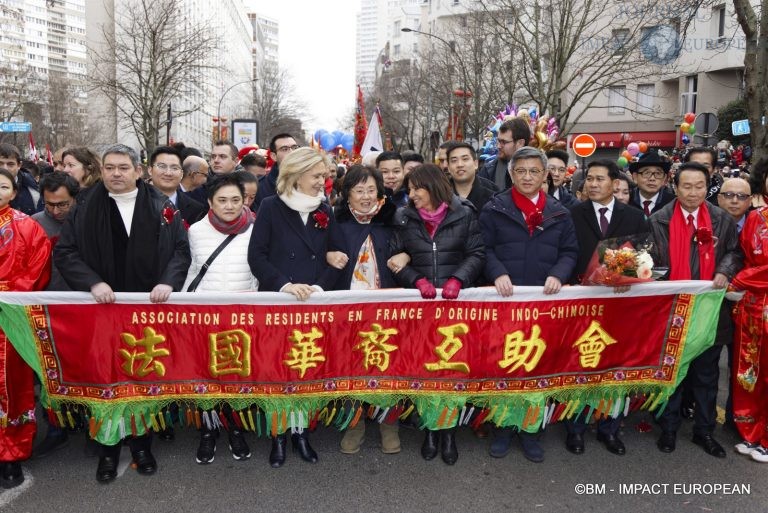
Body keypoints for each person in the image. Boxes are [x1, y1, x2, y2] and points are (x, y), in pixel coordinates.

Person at [54, 144, 191, 483]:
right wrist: (93, 283)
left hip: (147, 311)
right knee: (106, 378)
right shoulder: (83, 206)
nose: (116, 173)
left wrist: (167, 282)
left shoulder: (161, 206)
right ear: (101, 170)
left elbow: (180, 251)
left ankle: (142, 445)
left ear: (138, 171)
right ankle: (108, 448)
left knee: (142, 376)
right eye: (110, 167)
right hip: (101, 310)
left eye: (123, 167)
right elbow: (66, 252)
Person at [479, 147, 578, 463]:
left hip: (543, 305)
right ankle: (503, 427)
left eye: (534, 171)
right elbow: (483, 248)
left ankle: (532, 430)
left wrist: (559, 275)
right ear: (511, 174)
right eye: (520, 171)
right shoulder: (494, 208)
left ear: (545, 174)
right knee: (505, 364)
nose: (527, 177)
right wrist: (497, 273)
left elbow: (570, 252)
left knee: (537, 366)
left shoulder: (559, 212)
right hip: (505, 303)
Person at [248, 147, 342, 467]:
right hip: (279, 302)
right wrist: (284, 285)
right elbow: (257, 256)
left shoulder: (326, 210)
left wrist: (319, 286)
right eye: (317, 176)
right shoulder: (271, 207)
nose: (322, 182)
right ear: (297, 174)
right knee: (277, 370)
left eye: (325, 176)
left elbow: (336, 254)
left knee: (304, 369)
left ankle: (300, 432)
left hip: (311, 303)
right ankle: (278, 435)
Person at [389, 163, 485, 466]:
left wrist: (459, 278)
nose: (412, 194)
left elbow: (477, 253)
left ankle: (450, 433)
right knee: (426, 370)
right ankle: (431, 428)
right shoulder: (404, 216)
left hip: (456, 308)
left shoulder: (464, 213)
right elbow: (396, 258)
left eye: (417, 188)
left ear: (432, 186)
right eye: (409, 188)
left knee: (452, 370)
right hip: (421, 308)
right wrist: (416, 280)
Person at [648, 162, 742, 459]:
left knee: (705, 374)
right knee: (672, 373)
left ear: (707, 187)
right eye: (686, 186)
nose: (692, 192)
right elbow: (649, 259)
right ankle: (669, 428)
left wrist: (725, 271)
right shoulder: (659, 219)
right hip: (671, 309)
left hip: (709, 310)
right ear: (674, 188)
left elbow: (734, 252)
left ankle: (704, 431)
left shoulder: (720, 219)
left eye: (699, 186)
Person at [564, 160, 648, 455]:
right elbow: (567, 251)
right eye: (589, 179)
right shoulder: (573, 214)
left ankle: (609, 428)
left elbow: (643, 254)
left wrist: (623, 274)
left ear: (615, 183)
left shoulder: (635, 217)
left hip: (618, 304)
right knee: (579, 362)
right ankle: (575, 427)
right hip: (581, 302)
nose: (593, 184)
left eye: (600, 179)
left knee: (614, 366)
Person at [184, 174, 257, 464]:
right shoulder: (196, 231)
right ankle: (207, 431)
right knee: (207, 376)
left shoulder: (257, 229)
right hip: (205, 316)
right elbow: (191, 270)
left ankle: (235, 428)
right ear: (210, 203)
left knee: (237, 373)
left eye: (236, 200)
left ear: (245, 201)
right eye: (222, 200)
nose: (230, 206)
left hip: (244, 314)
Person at [329, 165, 401, 455]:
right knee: (352, 365)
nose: (366, 196)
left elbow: (408, 248)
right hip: (350, 311)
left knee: (389, 363)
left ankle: (389, 424)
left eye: (372, 189)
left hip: (388, 309)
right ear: (348, 195)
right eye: (359, 190)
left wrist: (405, 253)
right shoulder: (337, 224)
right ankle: (355, 424)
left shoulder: (393, 221)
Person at [0, 168, 51, 488]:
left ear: (14, 190)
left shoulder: (27, 227)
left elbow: (37, 269)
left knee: (12, 387)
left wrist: (7, 294)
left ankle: (11, 454)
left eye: (2, 185)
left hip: (10, 321)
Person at [730, 202, 768, 462]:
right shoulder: (756, 216)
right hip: (752, 305)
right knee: (750, 371)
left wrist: (740, 280)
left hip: (754, 291)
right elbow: (742, 254)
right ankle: (752, 432)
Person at [148, 146, 206, 227]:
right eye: (162, 166)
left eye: (174, 168)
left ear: (182, 174)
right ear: (150, 170)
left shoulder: (197, 209)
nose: (168, 173)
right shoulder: (136, 202)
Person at [479, 118, 531, 191]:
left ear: (520, 143)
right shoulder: (488, 171)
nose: (498, 146)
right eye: (498, 141)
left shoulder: (539, 170)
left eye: (504, 142)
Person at [253, 133, 299, 210]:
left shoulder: (312, 181)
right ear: (273, 156)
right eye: (285, 149)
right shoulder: (260, 188)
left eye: (294, 147)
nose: (292, 152)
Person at [447, 142, 498, 210]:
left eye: (465, 159)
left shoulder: (493, 193)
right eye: (454, 160)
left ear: (475, 164)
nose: (460, 164)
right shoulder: (439, 193)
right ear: (448, 167)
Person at [0, 143, 41, 215]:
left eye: (10, 164)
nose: (5, 168)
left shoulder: (32, 190)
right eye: (0, 163)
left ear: (19, 165)